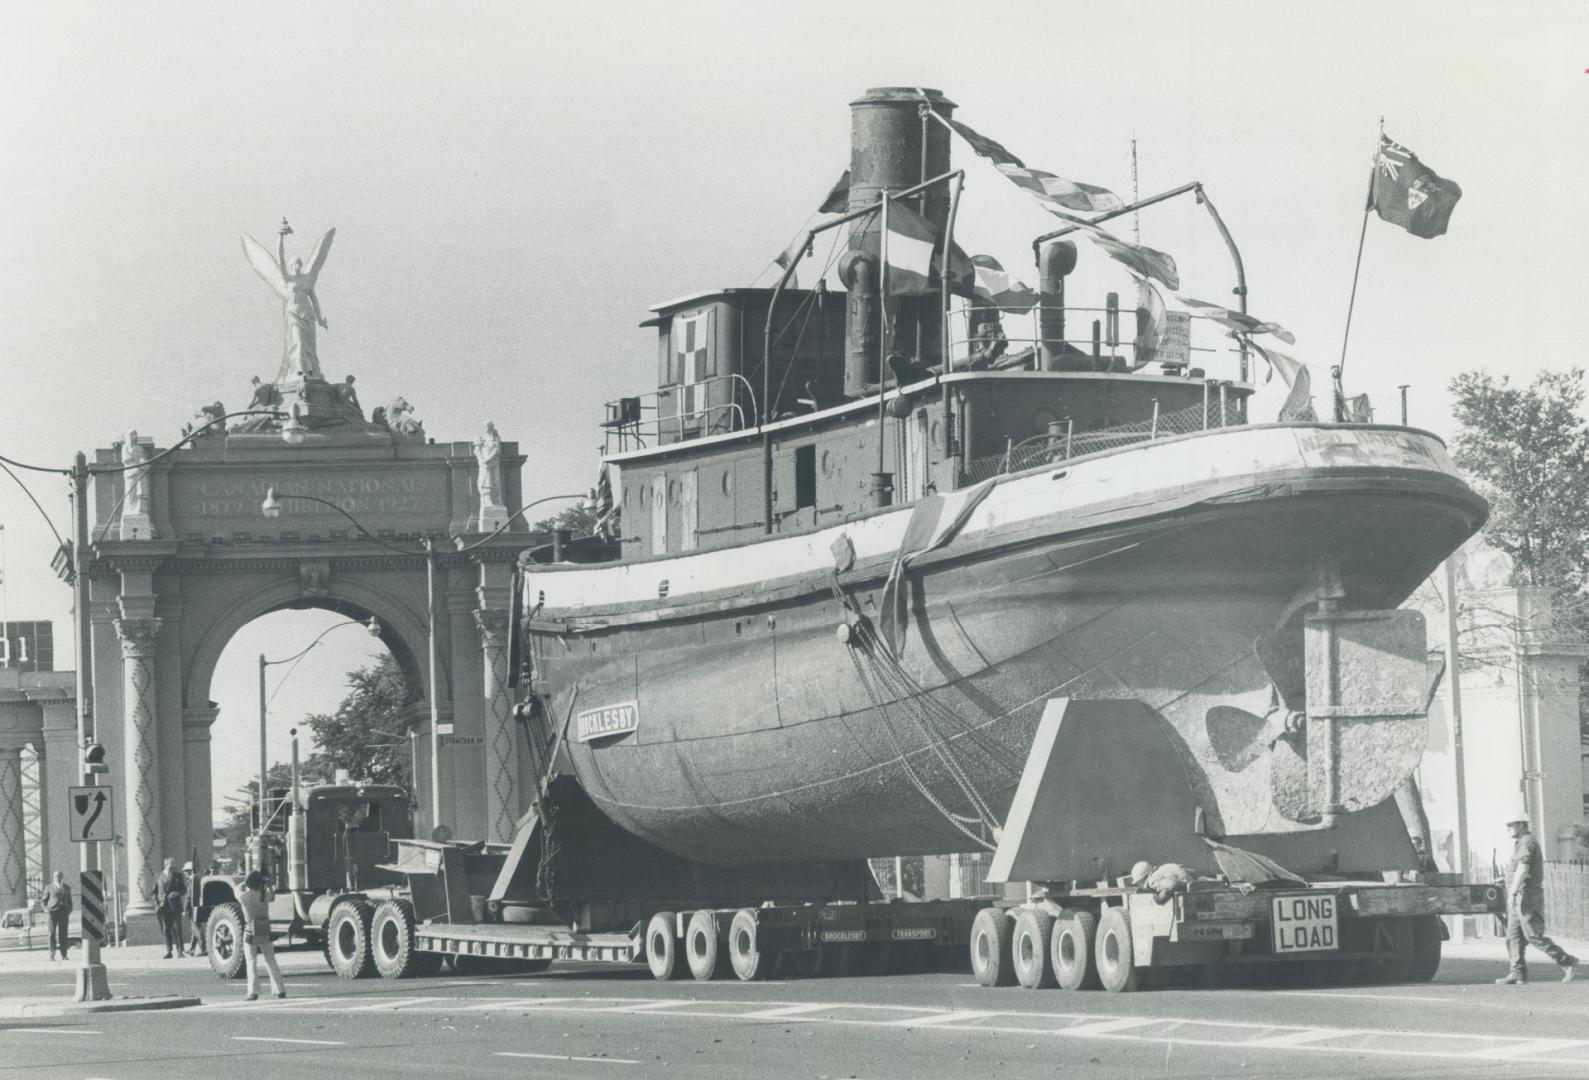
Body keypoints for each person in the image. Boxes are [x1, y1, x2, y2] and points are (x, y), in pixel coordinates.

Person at [1497, 810, 1578, 984]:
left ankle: (1567, 961)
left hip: (1526, 897)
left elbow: (1523, 869)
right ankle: (1516, 972)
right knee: (1513, 936)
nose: (1508, 829)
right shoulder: (1521, 843)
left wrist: (1512, 892)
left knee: (1533, 935)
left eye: (1510, 825)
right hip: (1519, 896)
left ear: (1520, 824)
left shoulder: (1527, 843)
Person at [237, 870, 285, 1000]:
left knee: (251, 961)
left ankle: (253, 992)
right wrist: (267, 884)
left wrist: (244, 882)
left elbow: (237, 889)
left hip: (250, 930)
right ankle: (280, 989)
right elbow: (273, 896)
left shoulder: (244, 896)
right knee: (271, 960)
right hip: (264, 928)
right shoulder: (264, 895)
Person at [154, 857, 187, 958]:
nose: (173, 865)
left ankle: (180, 951)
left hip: (175, 906)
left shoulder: (178, 875)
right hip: (163, 906)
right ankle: (169, 951)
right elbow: (155, 892)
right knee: (166, 929)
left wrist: (177, 893)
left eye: (174, 863)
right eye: (172, 863)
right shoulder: (158, 876)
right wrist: (157, 904)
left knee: (178, 928)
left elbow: (184, 890)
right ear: (166, 864)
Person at [43, 871, 73, 961]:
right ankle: (52, 955)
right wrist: (46, 909)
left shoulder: (67, 888)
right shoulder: (49, 887)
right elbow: (43, 901)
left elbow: (70, 900)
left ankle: (64, 955)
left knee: (63, 934)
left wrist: (69, 909)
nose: (58, 877)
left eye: (59, 876)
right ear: (53, 877)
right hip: (52, 913)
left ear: (62, 877)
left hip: (64, 913)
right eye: (56, 876)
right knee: (51, 934)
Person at [184, 862, 207, 956]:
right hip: (197, 906)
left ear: (190, 871)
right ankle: (192, 948)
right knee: (194, 928)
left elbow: (189, 896)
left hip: (192, 907)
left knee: (196, 928)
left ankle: (203, 948)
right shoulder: (197, 879)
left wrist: (185, 908)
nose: (185, 873)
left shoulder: (192, 880)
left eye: (186, 871)